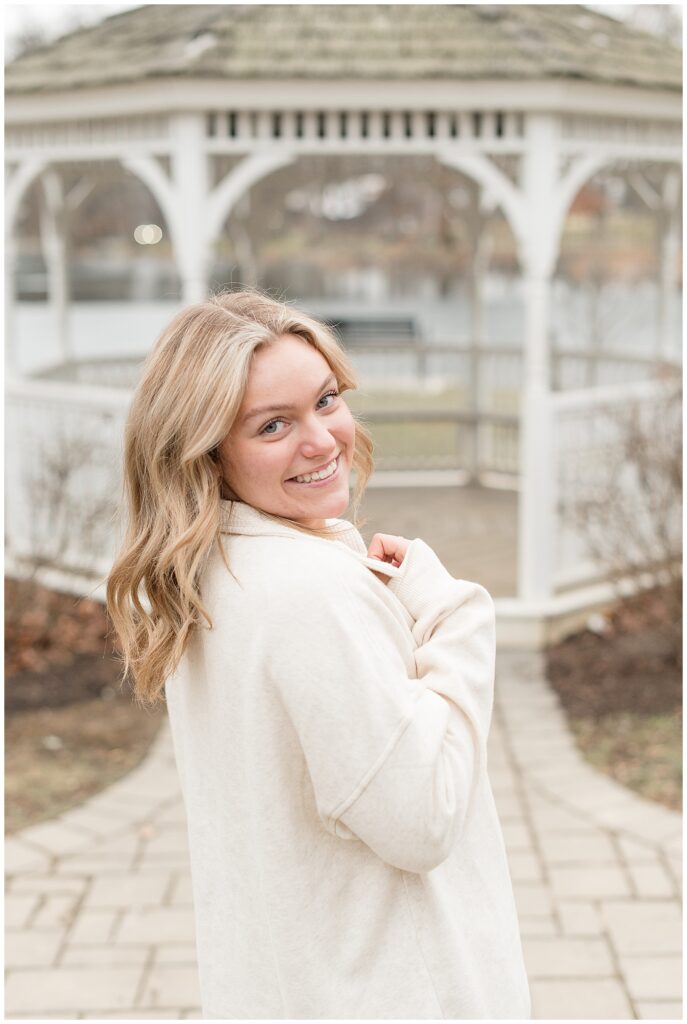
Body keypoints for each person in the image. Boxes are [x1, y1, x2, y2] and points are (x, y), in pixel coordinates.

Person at [106, 288, 531, 1020]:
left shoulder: (202, 576)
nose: (323, 440)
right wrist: (454, 615)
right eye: (273, 425)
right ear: (206, 452)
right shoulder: (310, 594)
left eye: (326, 400)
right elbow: (422, 819)